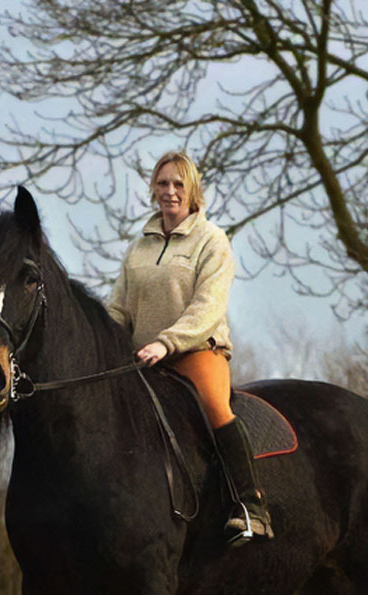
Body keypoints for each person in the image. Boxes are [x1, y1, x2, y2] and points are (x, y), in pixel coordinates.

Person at [107, 150, 273, 544]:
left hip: (198, 352)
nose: (170, 191)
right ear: (153, 189)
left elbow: (208, 306)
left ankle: (251, 507)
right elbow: (118, 308)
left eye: (178, 184)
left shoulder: (212, 241)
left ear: (193, 190)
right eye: (162, 183)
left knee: (216, 409)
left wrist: (168, 343)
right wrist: (104, 343)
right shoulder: (139, 249)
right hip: (145, 360)